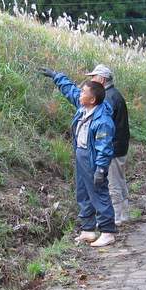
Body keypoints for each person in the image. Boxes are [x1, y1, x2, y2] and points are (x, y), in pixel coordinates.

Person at [40, 67, 117, 247]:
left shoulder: (103, 120)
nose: (79, 94)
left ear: (92, 99)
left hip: (93, 159)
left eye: (83, 92)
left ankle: (107, 232)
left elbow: (104, 148)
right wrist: (56, 76)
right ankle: (88, 230)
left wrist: (100, 169)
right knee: (83, 192)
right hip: (81, 155)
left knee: (98, 194)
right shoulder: (84, 107)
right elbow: (71, 90)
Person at [86, 64, 130, 225]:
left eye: (94, 77)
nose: (91, 80)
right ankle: (124, 214)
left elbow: (104, 127)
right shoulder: (114, 94)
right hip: (120, 146)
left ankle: (116, 218)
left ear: (102, 79)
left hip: (113, 148)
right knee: (119, 180)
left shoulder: (108, 98)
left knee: (113, 183)